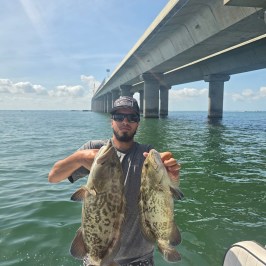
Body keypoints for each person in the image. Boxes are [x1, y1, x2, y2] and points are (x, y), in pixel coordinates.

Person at [48, 96, 181, 266]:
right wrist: (80, 158)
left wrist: (173, 177)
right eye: (119, 117)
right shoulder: (94, 150)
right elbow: (53, 177)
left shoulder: (146, 154)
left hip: (140, 259)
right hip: (97, 256)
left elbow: (164, 193)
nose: (125, 121)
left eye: (132, 117)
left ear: (138, 123)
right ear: (111, 121)